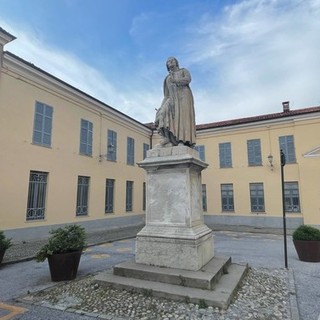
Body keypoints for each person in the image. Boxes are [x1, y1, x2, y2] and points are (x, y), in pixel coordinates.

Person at [155, 57, 196, 147]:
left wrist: (176, 80)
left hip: (184, 96)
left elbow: (188, 80)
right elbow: (166, 95)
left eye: (172, 60)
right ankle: (167, 138)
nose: (170, 62)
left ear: (176, 62)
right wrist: (161, 107)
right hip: (171, 98)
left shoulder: (183, 71)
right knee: (162, 113)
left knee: (182, 118)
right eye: (168, 61)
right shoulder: (167, 78)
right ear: (167, 66)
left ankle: (182, 140)